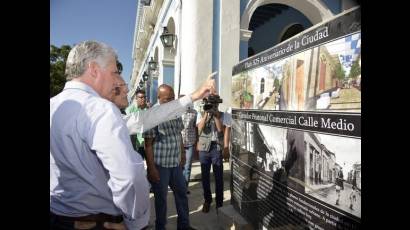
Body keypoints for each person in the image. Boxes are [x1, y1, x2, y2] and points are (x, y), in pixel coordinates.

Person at [50, 40, 216, 230]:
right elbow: (129, 176)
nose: (117, 81)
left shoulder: (54, 106)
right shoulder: (100, 109)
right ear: (94, 69)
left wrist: (193, 96)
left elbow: (143, 119)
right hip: (97, 222)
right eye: (114, 72)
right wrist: (136, 223)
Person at [143, 85, 195, 230]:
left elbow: (179, 134)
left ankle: (184, 225)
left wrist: (182, 154)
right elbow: (148, 144)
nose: (171, 101)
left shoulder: (175, 112)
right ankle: (161, 227)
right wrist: (151, 168)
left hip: (175, 164)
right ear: (159, 98)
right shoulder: (151, 115)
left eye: (173, 98)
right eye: (167, 99)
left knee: (182, 194)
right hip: (160, 166)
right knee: (161, 200)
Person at [196, 98, 229, 213]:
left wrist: (215, 115)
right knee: (205, 177)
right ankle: (207, 200)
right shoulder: (200, 113)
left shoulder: (223, 115)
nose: (212, 106)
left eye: (214, 104)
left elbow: (220, 129)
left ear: (217, 104)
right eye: (210, 104)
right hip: (204, 148)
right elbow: (199, 129)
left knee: (218, 176)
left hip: (216, 148)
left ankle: (219, 203)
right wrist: (206, 114)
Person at [180, 94, 198, 194]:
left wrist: (196, 142)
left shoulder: (194, 113)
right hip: (179, 143)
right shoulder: (177, 113)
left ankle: (184, 188)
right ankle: (178, 187)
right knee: (179, 166)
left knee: (187, 167)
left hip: (190, 142)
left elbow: (195, 127)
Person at [126, 89, 148, 159]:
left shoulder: (147, 109)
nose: (143, 99)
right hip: (136, 144)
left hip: (147, 142)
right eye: (141, 97)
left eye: (144, 97)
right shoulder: (129, 110)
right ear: (136, 98)